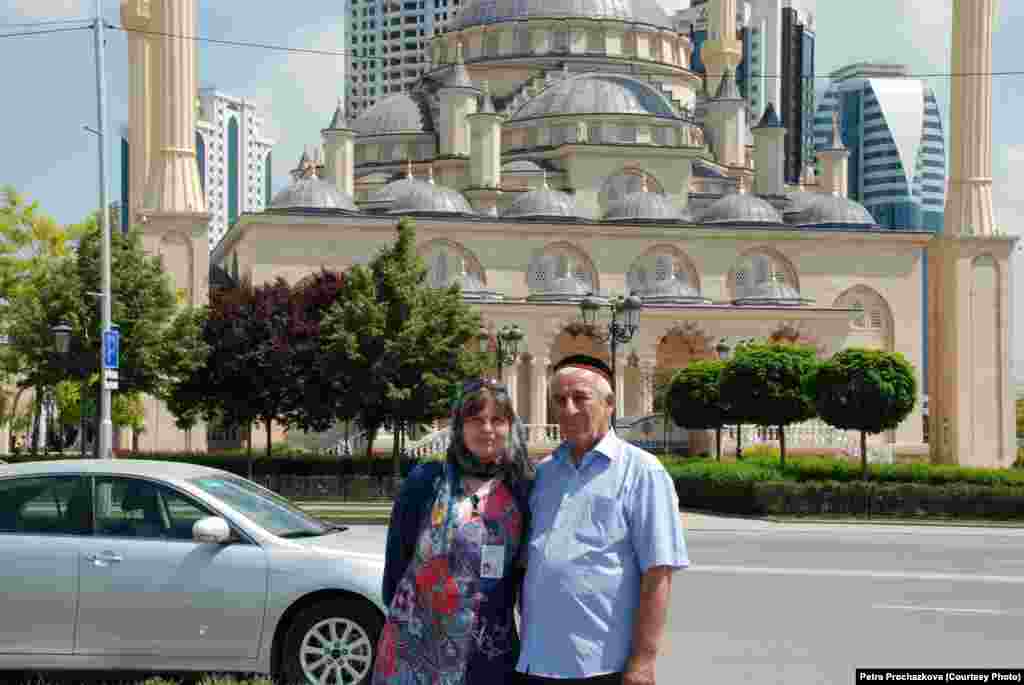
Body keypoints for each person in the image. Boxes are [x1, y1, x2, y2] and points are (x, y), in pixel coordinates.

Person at [515, 354, 689, 685]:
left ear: (609, 404)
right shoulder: (544, 473)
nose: (568, 409)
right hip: (535, 660)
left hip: (600, 664)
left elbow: (659, 571)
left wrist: (643, 661)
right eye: (559, 400)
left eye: (580, 398)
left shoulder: (642, 471)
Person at [374, 378, 534, 685]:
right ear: (459, 426)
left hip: (487, 650)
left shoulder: (522, 488)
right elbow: (397, 563)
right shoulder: (426, 480)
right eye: (476, 420)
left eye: (497, 420)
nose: (487, 429)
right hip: (416, 644)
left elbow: (525, 574)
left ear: (510, 426)